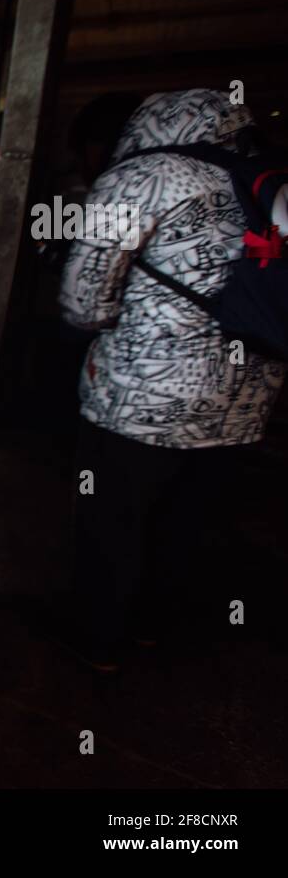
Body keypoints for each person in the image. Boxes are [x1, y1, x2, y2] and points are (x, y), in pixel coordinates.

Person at [57, 88, 286, 671]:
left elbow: (83, 301)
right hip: (244, 407)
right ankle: (151, 632)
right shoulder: (262, 178)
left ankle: (95, 645)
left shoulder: (143, 176)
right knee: (185, 523)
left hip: (144, 401)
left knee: (114, 520)